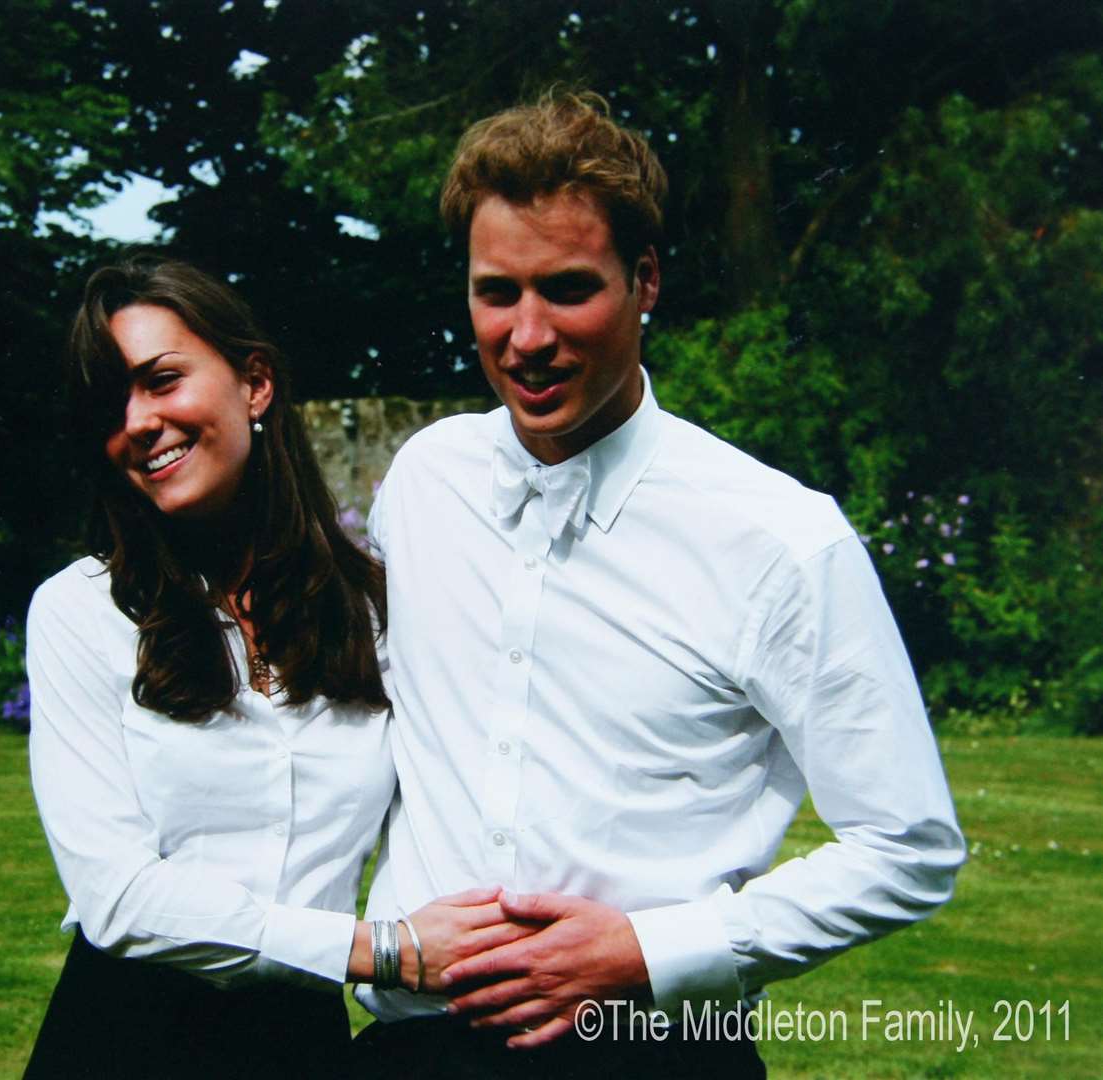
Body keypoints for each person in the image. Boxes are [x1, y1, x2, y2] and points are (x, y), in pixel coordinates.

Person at [352, 91, 966, 1077]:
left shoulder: (777, 538)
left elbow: (908, 845)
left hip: (647, 1048)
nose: (527, 334)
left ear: (645, 282)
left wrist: (646, 953)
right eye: (496, 292)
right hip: (409, 1046)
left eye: (567, 287)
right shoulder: (427, 481)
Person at [22, 257, 524, 1078]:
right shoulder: (82, 612)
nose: (139, 421)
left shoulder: (376, 613)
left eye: (161, 380)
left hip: (302, 1048)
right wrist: (379, 951)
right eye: (111, 403)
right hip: (122, 1038)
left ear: (255, 385)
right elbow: (116, 899)